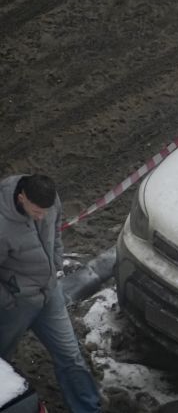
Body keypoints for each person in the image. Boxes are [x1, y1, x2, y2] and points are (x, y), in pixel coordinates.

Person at [0, 174, 102, 413]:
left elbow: (55, 231)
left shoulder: (49, 200)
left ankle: (88, 409)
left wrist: (55, 263)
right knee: (2, 363)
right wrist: (8, 300)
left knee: (71, 356)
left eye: (45, 211)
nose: (41, 216)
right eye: (36, 211)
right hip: (15, 304)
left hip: (49, 294)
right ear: (21, 197)